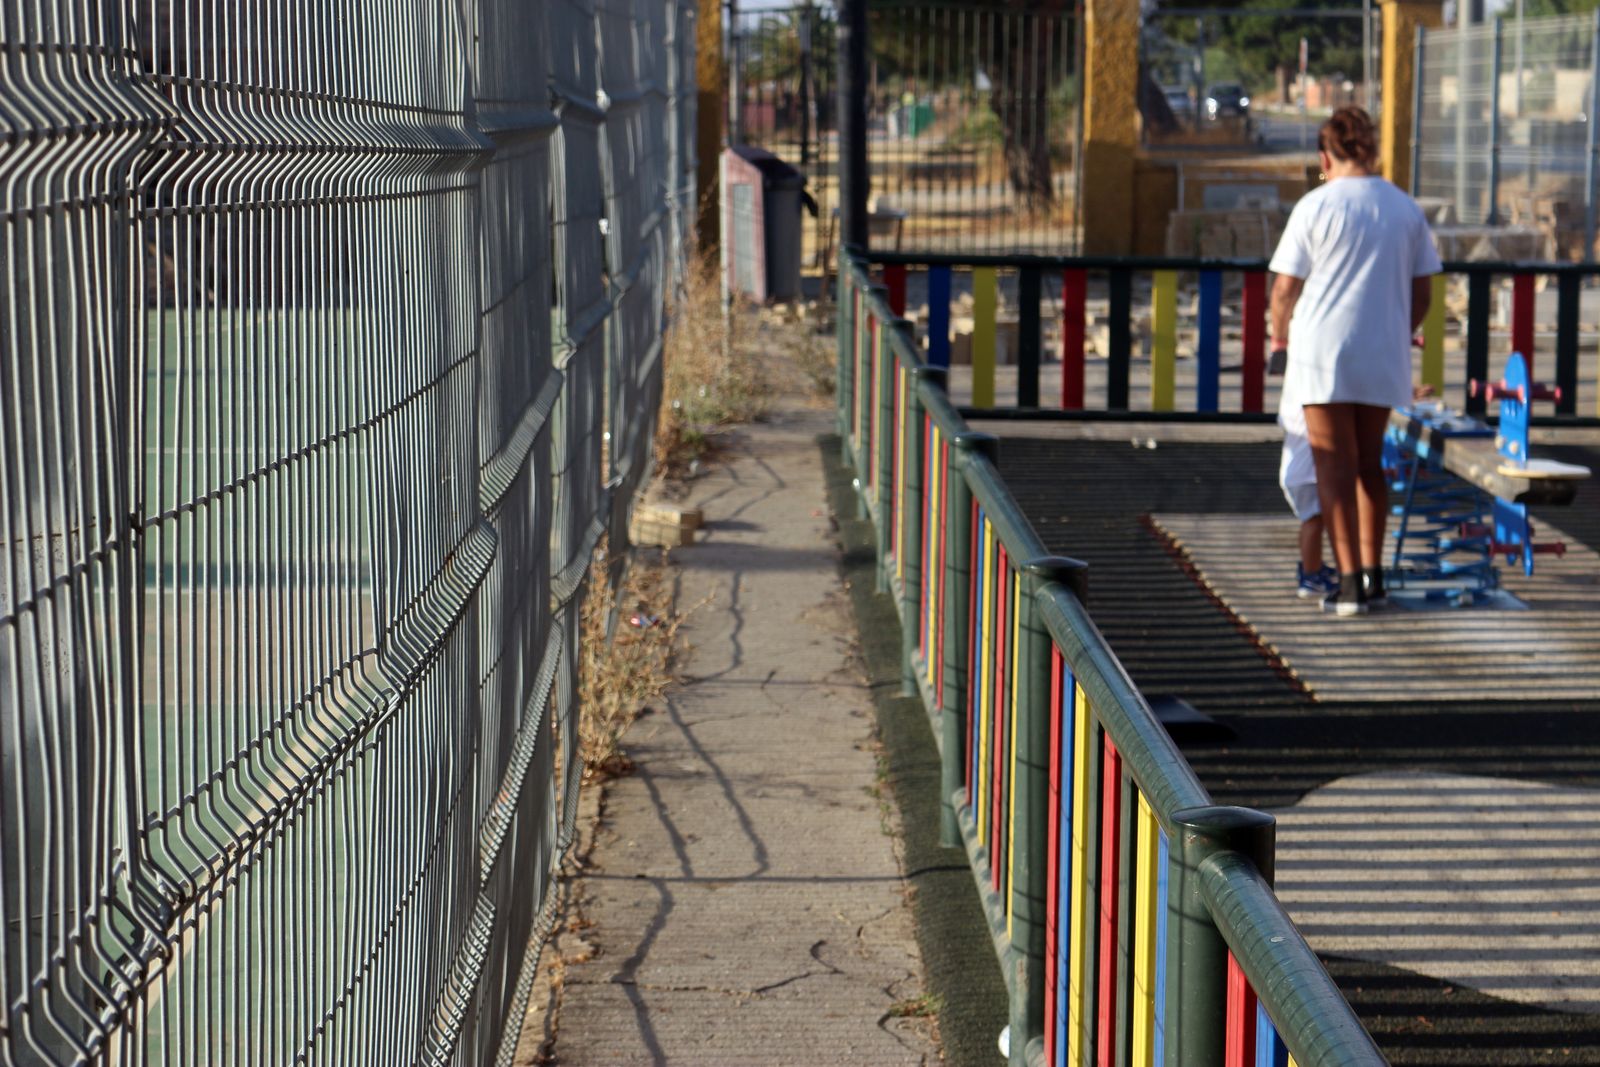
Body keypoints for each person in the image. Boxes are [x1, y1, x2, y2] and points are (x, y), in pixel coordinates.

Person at [1267, 106, 1442, 617]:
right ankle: (1374, 576)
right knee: (1370, 466)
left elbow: (1283, 289)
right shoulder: (1405, 208)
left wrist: (1279, 339)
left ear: (1325, 156)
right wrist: (1398, 330)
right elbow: (1424, 292)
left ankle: (1345, 584)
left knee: (1331, 470)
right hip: (1383, 354)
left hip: (1322, 355)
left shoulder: (1315, 207)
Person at [1279, 396, 1339, 599]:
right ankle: (1310, 576)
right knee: (1313, 521)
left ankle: (1310, 564)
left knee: (1311, 521)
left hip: (1296, 472)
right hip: (1307, 475)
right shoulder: (1316, 403)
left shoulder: (1293, 400)